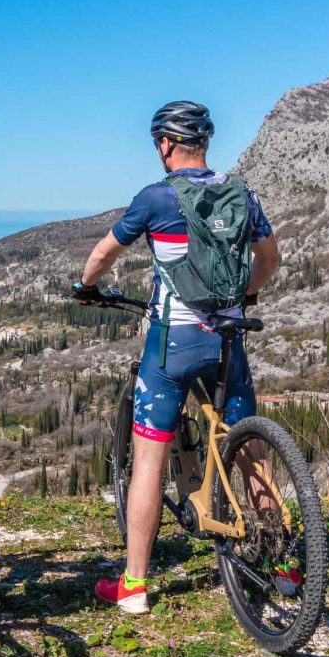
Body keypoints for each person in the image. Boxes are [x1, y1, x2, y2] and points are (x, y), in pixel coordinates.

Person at [74, 101, 281, 613]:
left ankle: (135, 586)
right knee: (252, 450)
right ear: (204, 144)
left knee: (149, 460)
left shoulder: (156, 198)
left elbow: (104, 253)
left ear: (166, 145)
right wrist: (246, 297)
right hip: (228, 340)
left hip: (175, 343)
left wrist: (86, 285)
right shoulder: (243, 195)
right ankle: (283, 565)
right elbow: (270, 257)